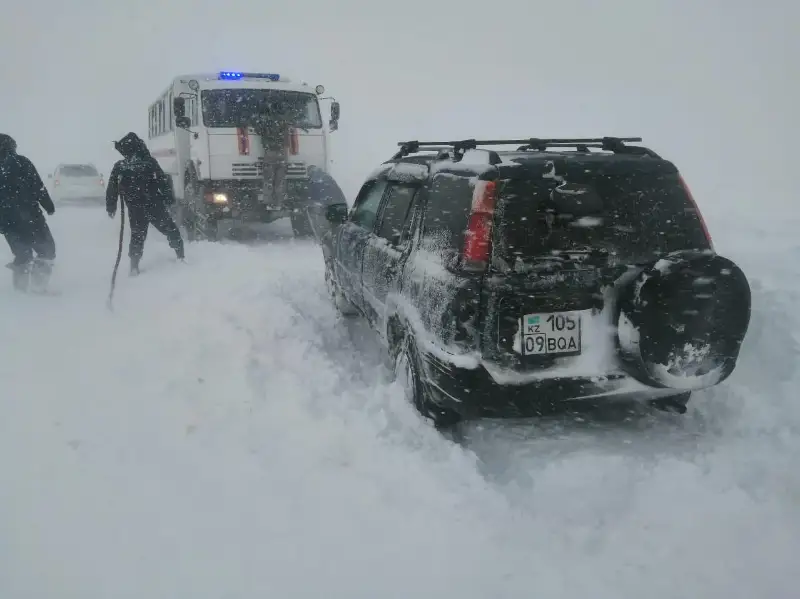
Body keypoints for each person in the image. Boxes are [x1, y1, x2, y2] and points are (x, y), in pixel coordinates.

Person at [106, 132, 184, 276]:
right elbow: (162, 181)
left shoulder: (121, 166)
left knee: (137, 236)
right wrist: (169, 199)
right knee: (170, 229)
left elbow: (112, 188)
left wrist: (111, 206)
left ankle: (134, 266)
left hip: (136, 208)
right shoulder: (149, 162)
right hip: (154, 205)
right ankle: (180, 255)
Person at [0, 133, 56, 292]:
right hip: (30, 216)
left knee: (22, 254)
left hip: (7, 221)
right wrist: (48, 206)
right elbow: (37, 186)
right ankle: (39, 287)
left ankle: (20, 289)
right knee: (46, 250)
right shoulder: (22, 162)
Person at [250, 98, 294, 209]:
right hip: (282, 154)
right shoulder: (284, 122)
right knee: (279, 182)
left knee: (268, 180)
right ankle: (278, 204)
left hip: (270, 153)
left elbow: (258, 129)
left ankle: (268, 203)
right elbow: (286, 141)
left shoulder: (267, 122)